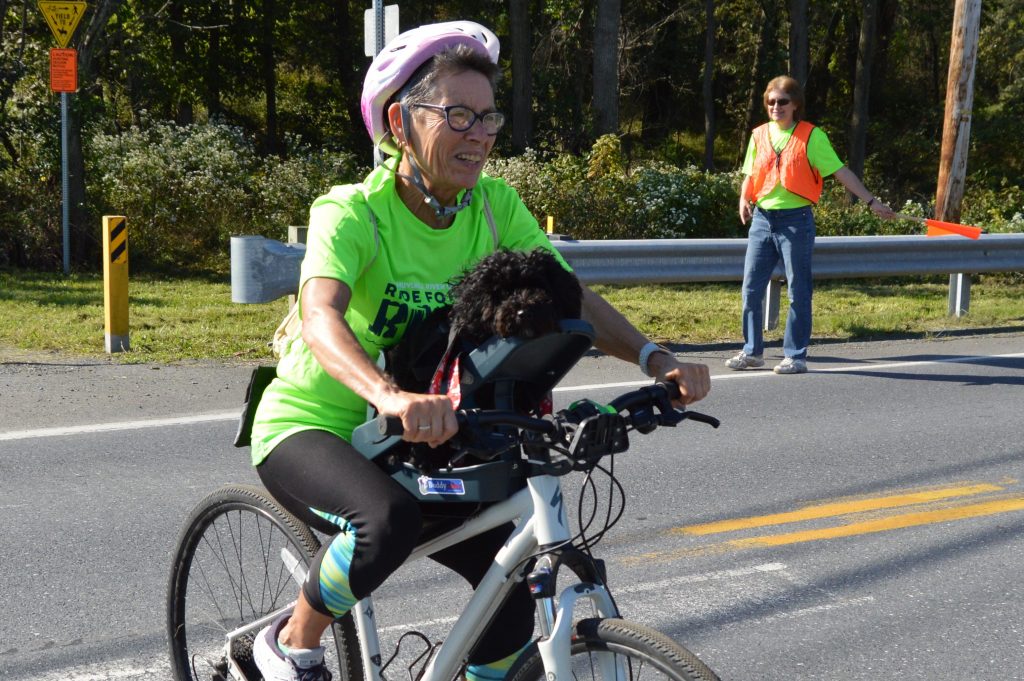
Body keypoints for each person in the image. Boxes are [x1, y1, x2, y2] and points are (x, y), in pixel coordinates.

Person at [249, 20, 712, 681]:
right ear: (399, 123)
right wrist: (390, 395)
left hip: (422, 432)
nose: (480, 133)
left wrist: (655, 360)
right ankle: (292, 643)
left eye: (488, 116)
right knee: (386, 521)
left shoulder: (493, 208)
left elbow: (570, 296)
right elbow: (320, 315)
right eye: (458, 114)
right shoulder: (354, 211)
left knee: (513, 591)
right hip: (314, 423)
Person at [727, 75, 896, 375]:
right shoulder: (759, 135)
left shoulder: (812, 137)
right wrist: (744, 198)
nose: (775, 107)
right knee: (751, 290)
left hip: (796, 222)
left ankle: (795, 355)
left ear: (795, 105)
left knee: (798, 291)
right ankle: (752, 352)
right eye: (770, 102)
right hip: (763, 220)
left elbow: (841, 172)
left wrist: (871, 202)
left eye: (782, 102)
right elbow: (750, 173)